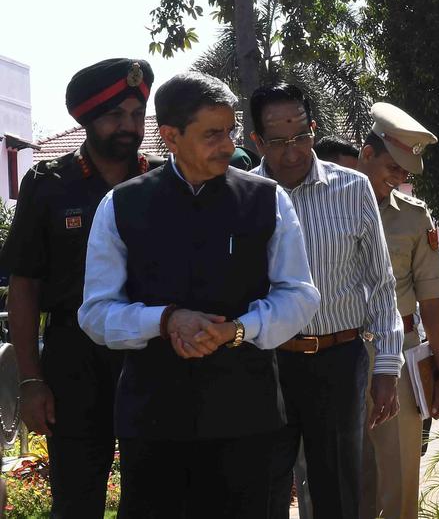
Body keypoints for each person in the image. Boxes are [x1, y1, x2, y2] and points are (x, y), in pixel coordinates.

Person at [79, 71, 320, 517]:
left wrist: (238, 329)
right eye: (212, 134)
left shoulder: (267, 200)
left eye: (230, 131)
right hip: (154, 422)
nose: (228, 145)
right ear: (171, 137)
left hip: (244, 418)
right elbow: (96, 312)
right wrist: (165, 320)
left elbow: (300, 296)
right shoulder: (122, 205)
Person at [0, 58, 160, 518]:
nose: (128, 126)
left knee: (155, 494)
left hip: (149, 352)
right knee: (75, 498)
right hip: (74, 356)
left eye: (136, 114)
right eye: (114, 115)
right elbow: (24, 286)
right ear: (85, 118)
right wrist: (31, 380)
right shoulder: (49, 183)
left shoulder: (160, 181)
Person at [248, 84, 404, 519]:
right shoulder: (244, 194)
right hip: (266, 365)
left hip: (338, 362)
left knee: (337, 491)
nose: (292, 152)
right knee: (265, 489)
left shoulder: (353, 189)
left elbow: (380, 281)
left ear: (314, 130)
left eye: (301, 136)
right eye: (277, 141)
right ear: (257, 141)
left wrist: (387, 367)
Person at [356, 103, 439, 519]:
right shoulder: (326, 208)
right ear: (367, 154)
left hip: (398, 351)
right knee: (343, 477)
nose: (398, 178)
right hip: (336, 351)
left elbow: (432, 300)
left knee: (399, 478)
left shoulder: (414, 218)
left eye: (405, 173)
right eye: (392, 168)